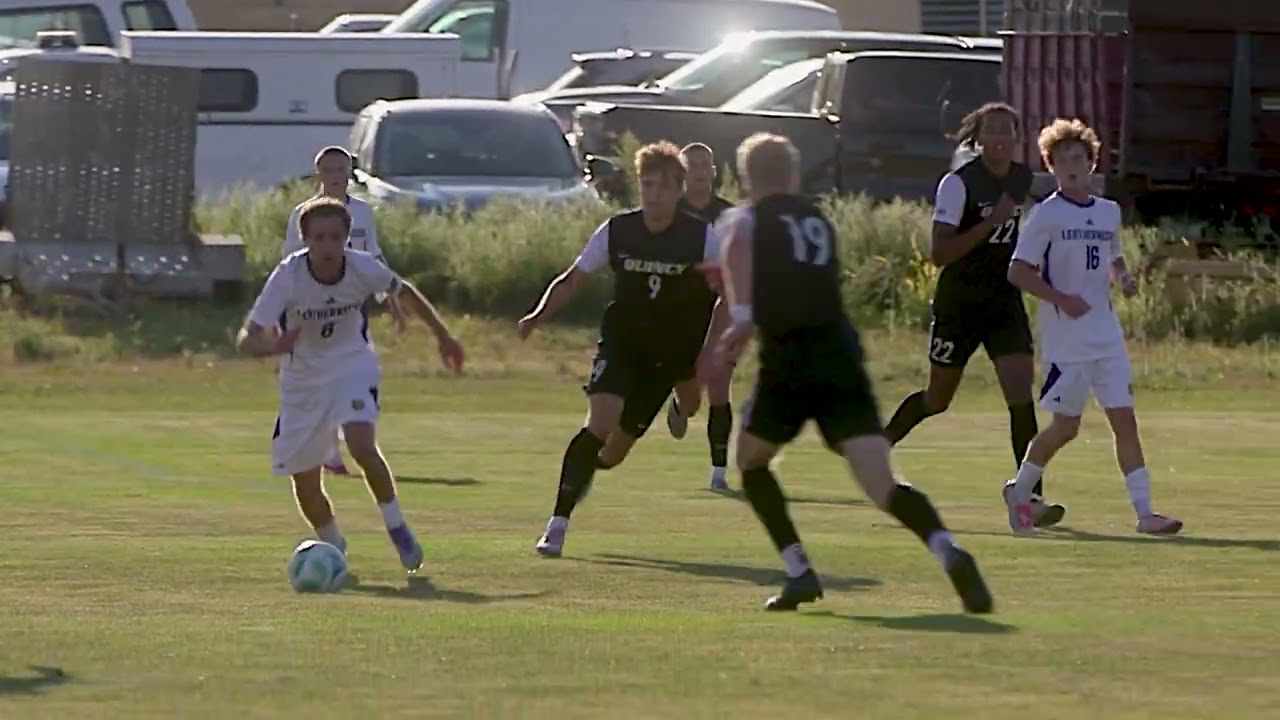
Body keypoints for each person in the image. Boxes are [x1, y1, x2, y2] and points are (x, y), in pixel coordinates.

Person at [714, 132, 992, 613]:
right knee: (882, 482)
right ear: (794, 175)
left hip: (789, 360)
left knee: (751, 463)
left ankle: (799, 571)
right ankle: (948, 548)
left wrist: (741, 319)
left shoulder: (747, 218)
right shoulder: (818, 219)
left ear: (746, 178)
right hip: (840, 355)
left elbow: (738, 243)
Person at [517, 140, 727, 557]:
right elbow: (573, 278)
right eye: (648, 185)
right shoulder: (617, 230)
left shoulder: (702, 237)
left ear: (678, 190)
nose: (654, 195)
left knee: (615, 453)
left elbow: (729, 296)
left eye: (664, 187)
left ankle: (597, 462)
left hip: (672, 352)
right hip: (622, 343)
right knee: (599, 424)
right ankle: (557, 524)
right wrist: (537, 316)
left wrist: (710, 350)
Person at [238, 198, 465, 572]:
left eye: (335, 237)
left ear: (346, 238)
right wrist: (270, 346)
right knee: (305, 484)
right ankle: (333, 546)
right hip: (302, 380)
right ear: (305, 239)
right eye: (319, 238)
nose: (327, 246)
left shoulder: (361, 267)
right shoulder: (288, 276)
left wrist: (443, 336)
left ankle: (397, 527)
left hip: (352, 365)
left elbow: (404, 291)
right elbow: (247, 337)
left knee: (361, 444)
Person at [881, 102, 1066, 528]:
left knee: (1020, 394)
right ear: (977, 138)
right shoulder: (958, 184)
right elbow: (940, 252)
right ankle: (878, 448)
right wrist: (990, 224)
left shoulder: (1021, 178)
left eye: (1007, 130)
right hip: (960, 303)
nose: (999, 137)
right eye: (991, 130)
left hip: (1003, 301)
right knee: (937, 399)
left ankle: (1028, 497)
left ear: (1018, 136)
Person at [1003, 118, 1182, 536]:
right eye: (1061, 159)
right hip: (1068, 342)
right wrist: (1062, 299)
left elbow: (1112, 256)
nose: (1071, 165)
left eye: (1078, 158)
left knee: (1125, 421)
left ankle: (1145, 514)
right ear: (1050, 166)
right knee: (1066, 427)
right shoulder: (1046, 215)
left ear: (1091, 163)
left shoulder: (1108, 212)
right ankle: (1020, 491)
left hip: (1107, 337)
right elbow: (1018, 272)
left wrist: (1123, 278)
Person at [281, 145, 403, 478]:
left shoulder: (362, 213)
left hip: (352, 304)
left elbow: (374, 256)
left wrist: (390, 299)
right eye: (328, 171)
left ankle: (341, 444)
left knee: (351, 371)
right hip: (313, 306)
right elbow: (290, 262)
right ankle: (327, 449)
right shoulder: (303, 213)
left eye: (341, 170)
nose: (335, 178)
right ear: (318, 174)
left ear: (350, 173)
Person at [665, 142, 737, 491]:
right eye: (691, 164)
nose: (698, 171)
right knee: (693, 396)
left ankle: (719, 472)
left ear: (713, 171)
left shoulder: (729, 215)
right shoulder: (668, 213)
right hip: (679, 314)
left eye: (704, 165)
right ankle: (681, 405)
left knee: (720, 384)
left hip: (722, 310)